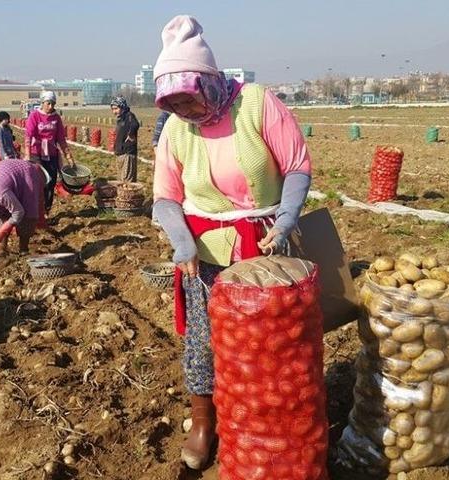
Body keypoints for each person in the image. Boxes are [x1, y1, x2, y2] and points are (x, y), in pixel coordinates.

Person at [150, 15, 313, 470]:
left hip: (266, 248)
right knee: (204, 341)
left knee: (272, 340)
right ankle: (205, 423)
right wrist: (182, 244)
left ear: (209, 81)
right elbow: (165, 198)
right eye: (175, 103)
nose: (186, 110)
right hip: (206, 255)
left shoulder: (258, 105)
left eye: (190, 99)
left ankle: (270, 420)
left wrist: (284, 221)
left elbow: (297, 165)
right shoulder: (175, 129)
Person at [25, 91, 75, 213]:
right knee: (39, 181)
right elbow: (28, 136)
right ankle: (35, 209)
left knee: (51, 182)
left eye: (53, 104)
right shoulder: (34, 116)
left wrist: (68, 156)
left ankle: (46, 209)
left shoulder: (56, 118)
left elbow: (61, 139)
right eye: (48, 103)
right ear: (42, 103)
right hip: (36, 153)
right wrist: (27, 154)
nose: (51, 107)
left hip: (51, 154)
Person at [110, 96, 141, 182]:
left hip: (127, 153)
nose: (114, 111)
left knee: (127, 181)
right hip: (120, 153)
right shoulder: (120, 119)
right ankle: (122, 195)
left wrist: (131, 134)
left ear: (122, 107)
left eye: (116, 108)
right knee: (121, 180)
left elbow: (135, 124)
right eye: (112, 109)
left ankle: (127, 195)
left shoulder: (129, 116)